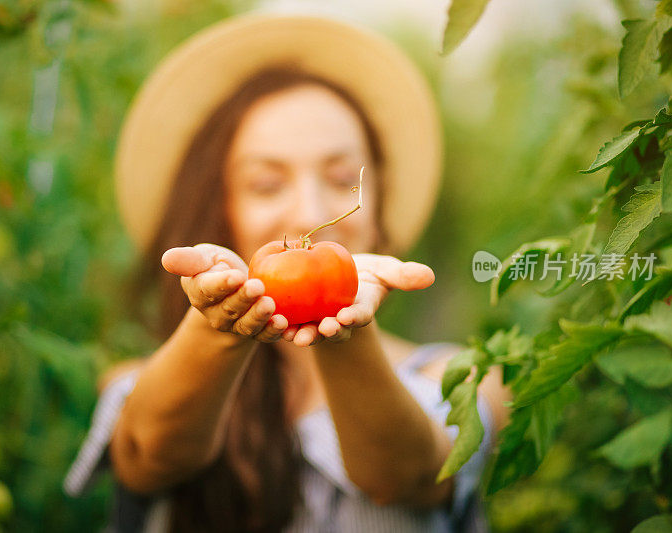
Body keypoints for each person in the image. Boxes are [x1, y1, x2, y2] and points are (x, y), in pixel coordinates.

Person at [64, 11, 511, 533]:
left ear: (378, 200)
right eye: (266, 183)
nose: (307, 213)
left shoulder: (461, 380)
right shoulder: (147, 387)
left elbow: (410, 477)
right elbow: (151, 454)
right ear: (220, 207)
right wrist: (216, 330)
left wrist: (346, 338)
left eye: (343, 177)